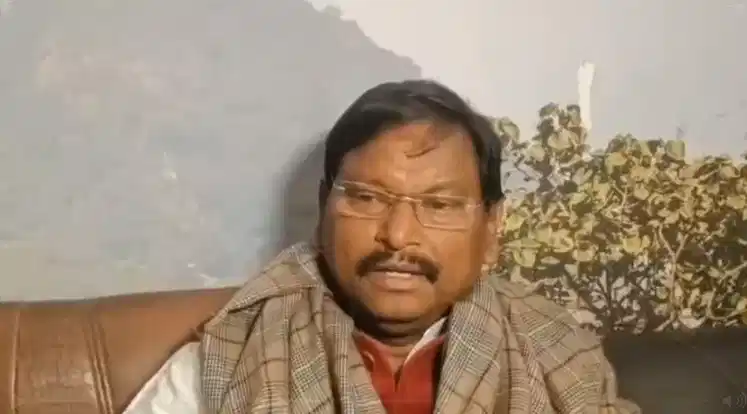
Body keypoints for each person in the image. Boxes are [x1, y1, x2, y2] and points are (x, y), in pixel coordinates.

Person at [125, 79, 639, 414]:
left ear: (491, 228)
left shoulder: (558, 357)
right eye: (367, 198)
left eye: (439, 205)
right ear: (325, 209)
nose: (397, 235)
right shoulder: (229, 359)